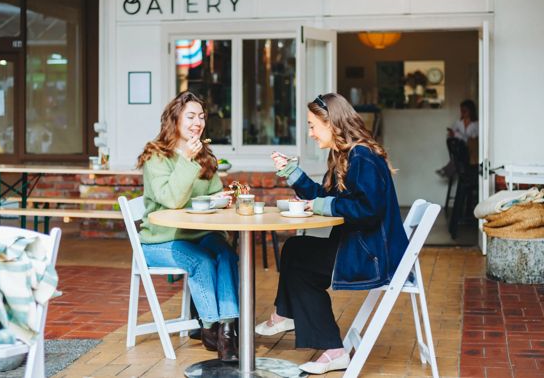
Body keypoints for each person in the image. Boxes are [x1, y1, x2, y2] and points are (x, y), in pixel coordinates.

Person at [254, 93, 409, 374]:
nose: (311, 133)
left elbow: (368, 209)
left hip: (371, 256)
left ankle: (332, 348)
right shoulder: (345, 155)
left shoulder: (362, 156)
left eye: (313, 125)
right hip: (362, 248)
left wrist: (322, 204)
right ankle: (286, 314)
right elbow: (323, 197)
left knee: (300, 263)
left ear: (332, 123)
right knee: (295, 248)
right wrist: (293, 174)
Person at [136, 91, 239, 362]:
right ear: (175, 119)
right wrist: (187, 161)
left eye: (202, 117)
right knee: (202, 261)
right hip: (160, 241)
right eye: (191, 116)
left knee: (226, 254)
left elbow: (212, 192)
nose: (198, 122)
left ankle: (228, 330)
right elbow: (172, 199)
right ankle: (208, 326)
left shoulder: (204, 155)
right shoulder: (156, 155)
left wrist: (221, 199)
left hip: (198, 234)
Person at [436, 99, 479, 178]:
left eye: (465, 111)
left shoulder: (476, 124)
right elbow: (450, 135)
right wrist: (453, 135)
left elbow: (472, 139)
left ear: (470, 111)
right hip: (461, 149)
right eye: (461, 111)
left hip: (471, 151)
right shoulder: (458, 122)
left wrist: (456, 134)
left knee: (465, 146)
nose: (463, 113)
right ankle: (450, 168)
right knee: (459, 146)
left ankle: (447, 169)